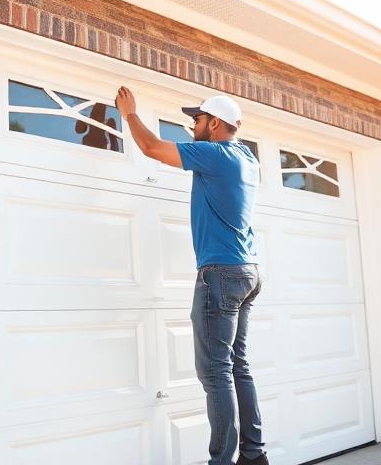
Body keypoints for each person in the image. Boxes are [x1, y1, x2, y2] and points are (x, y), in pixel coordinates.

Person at [114, 86, 267, 465]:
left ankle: (222, 461)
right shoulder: (247, 158)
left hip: (220, 273)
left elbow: (151, 147)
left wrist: (130, 114)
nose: (191, 126)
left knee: (215, 371)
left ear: (215, 124)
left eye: (196, 120)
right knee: (238, 365)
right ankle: (254, 454)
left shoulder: (215, 154)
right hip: (247, 271)